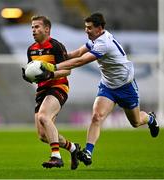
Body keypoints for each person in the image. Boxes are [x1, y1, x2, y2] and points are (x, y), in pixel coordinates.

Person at [44, 12, 160, 166]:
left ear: (99, 28)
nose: (86, 30)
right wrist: (59, 56)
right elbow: (77, 54)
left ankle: (151, 119)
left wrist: (52, 67)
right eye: (85, 27)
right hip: (108, 86)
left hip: (126, 87)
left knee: (136, 122)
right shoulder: (94, 40)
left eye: (89, 28)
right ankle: (88, 152)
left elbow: (80, 61)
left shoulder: (104, 44)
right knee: (96, 116)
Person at [22, 15, 80, 169]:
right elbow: (32, 71)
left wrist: (50, 74)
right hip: (42, 90)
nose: (33, 30)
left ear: (46, 29)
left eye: (37, 27)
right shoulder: (31, 49)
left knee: (44, 116)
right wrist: (28, 75)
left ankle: (56, 156)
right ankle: (73, 148)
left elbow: (67, 70)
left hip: (58, 87)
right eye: (32, 27)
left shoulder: (56, 46)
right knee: (42, 135)